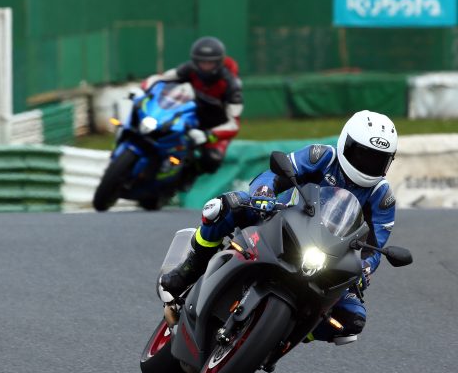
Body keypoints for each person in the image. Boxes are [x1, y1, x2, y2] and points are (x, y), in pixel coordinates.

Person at [160, 110, 398, 344]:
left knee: (352, 321)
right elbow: (273, 175)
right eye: (364, 154)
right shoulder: (322, 156)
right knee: (223, 207)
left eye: (379, 159)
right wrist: (265, 193)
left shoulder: (382, 197)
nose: (369, 164)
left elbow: (374, 247)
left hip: (330, 256)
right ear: (346, 144)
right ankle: (191, 267)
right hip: (281, 219)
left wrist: (364, 269)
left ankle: (286, 334)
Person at [142, 36, 244, 182]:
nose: (206, 67)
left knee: (212, 160)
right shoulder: (189, 69)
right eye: (202, 62)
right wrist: (143, 88)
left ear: (219, 63)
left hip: (216, 123)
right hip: (190, 113)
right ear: (195, 61)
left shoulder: (232, 86)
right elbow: (161, 78)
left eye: (210, 63)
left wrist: (208, 135)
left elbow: (234, 125)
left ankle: (184, 179)